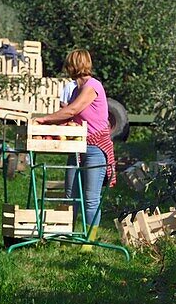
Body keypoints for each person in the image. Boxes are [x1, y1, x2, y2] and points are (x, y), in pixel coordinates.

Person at [32, 49, 116, 242]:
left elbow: (73, 110)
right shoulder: (77, 90)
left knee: (90, 197)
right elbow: (71, 117)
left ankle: (90, 240)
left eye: (68, 65)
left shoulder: (93, 86)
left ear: (73, 66)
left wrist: (44, 120)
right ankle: (67, 234)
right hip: (76, 146)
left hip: (95, 148)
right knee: (70, 194)